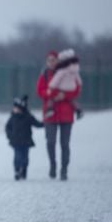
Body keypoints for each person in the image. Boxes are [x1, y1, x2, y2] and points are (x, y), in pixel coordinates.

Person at [36, 50, 81, 180]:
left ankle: (64, 169)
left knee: (65, 144)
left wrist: (64, 95)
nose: (51, 62)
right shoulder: (44, 75)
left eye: (54, 59)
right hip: (50, 113)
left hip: (66, 113)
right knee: (50, 142)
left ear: (58, 61)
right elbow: (40, 91)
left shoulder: (69, 72)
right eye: (49, 60)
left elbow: (76, 90)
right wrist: (53, 95)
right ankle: (53, 165)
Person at [5, 95, 44, 181]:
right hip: (16, 141)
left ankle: (24, 170)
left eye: (16, 108)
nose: (14, 110)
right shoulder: (12, 117)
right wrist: (10, 136)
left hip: (26, 141)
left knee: (25, 157)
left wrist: (45, 123)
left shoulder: (28, 117)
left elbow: (37, 124)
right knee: (17, 157)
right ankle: (17, 170)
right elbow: (7, 127)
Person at [45, 48, 83, 120]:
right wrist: (80, 84)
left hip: (62, 88)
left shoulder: (61, 71)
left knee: (51, 100)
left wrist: (51, 87)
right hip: (71, 87)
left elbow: (55, 80)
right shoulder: (76, 69)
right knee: (72, 100)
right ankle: (78, 109)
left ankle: (49, 109)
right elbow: (79, 80)